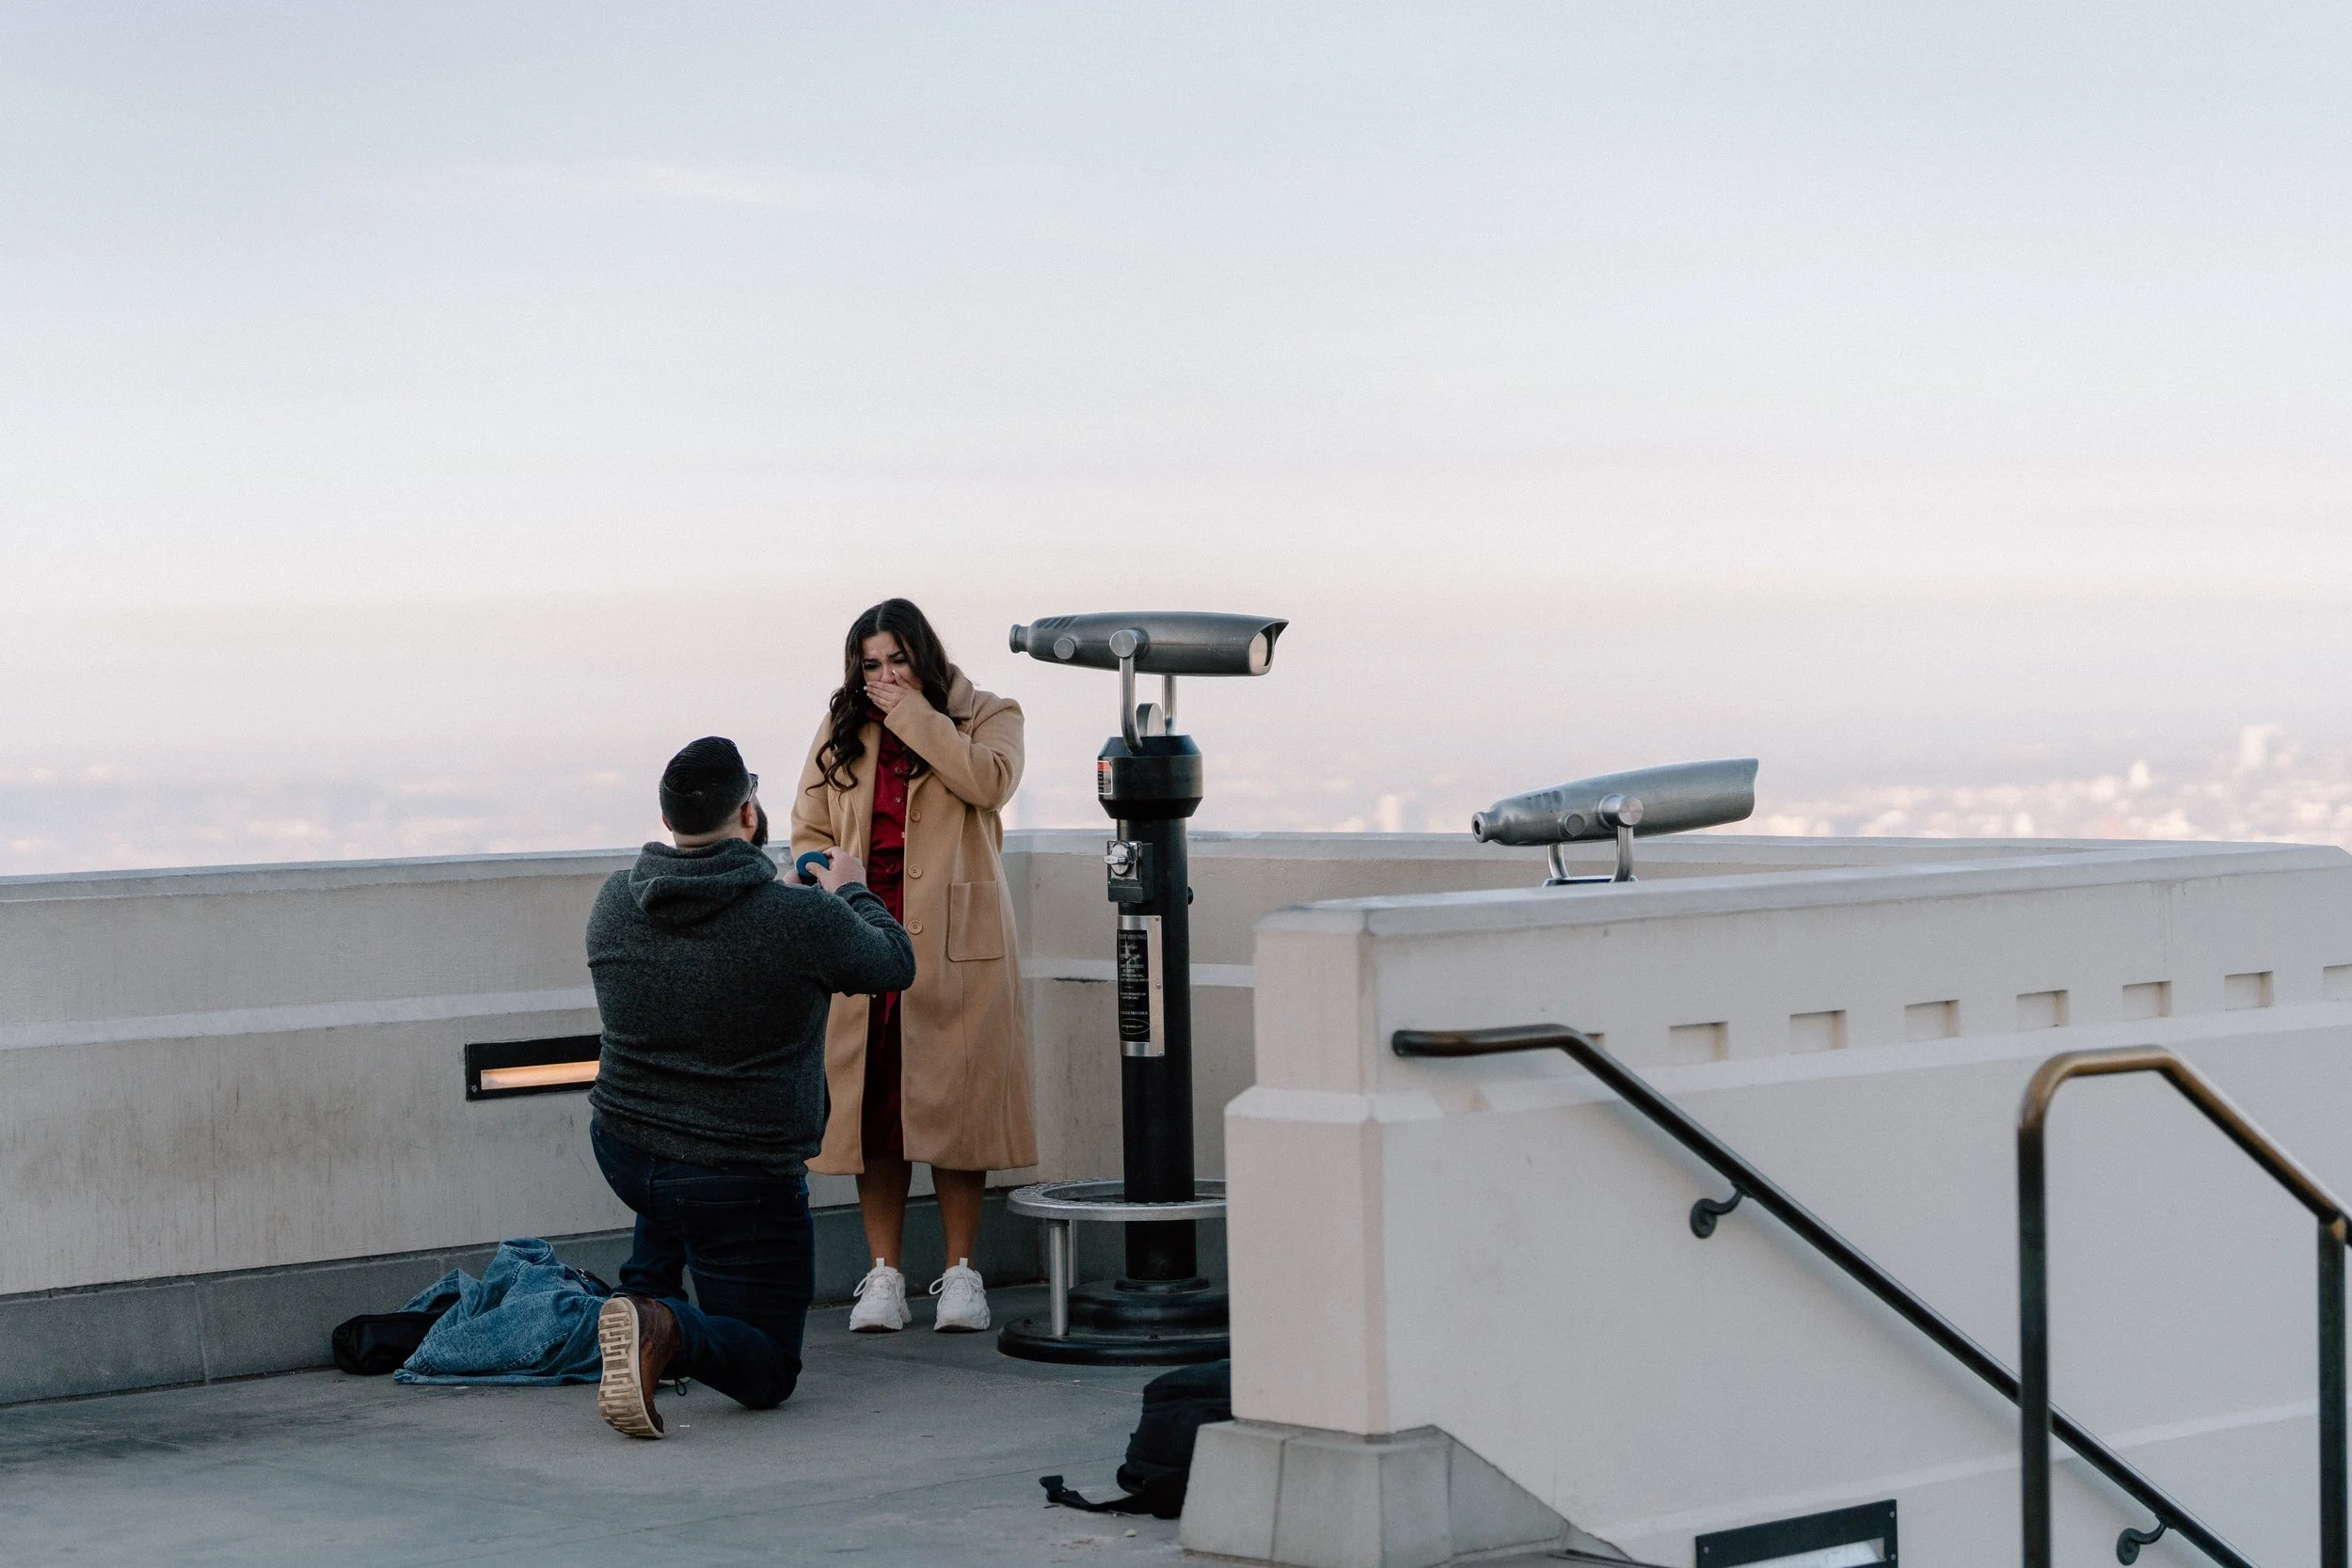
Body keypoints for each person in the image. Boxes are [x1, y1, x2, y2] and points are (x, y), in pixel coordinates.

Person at [583, 736, 914, 1439]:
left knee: (674, 1148)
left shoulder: (615, 900)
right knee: (768, 1371)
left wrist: (789, 909)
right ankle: (663, 1325)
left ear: (667, 819)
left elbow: (719, 934)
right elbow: (893, 962)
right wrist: (850, 888)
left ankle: (646, 1290)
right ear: (750, 815)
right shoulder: (799, 921)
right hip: (735, 1178)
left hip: (626, 1151)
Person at [792, 599, 1036, 1335]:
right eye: (872, 665)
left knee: (957, 1105)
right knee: (876, 1110)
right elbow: (805, 828)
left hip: (958, 942)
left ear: (924, 656)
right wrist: (820, 873)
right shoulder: (842, 729)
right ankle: (884, 1275)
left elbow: (990, 782)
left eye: (898, 659)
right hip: (867, 931)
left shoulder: (991, 713)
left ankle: (963, 1274)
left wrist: (913, 716)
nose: (886, 676)